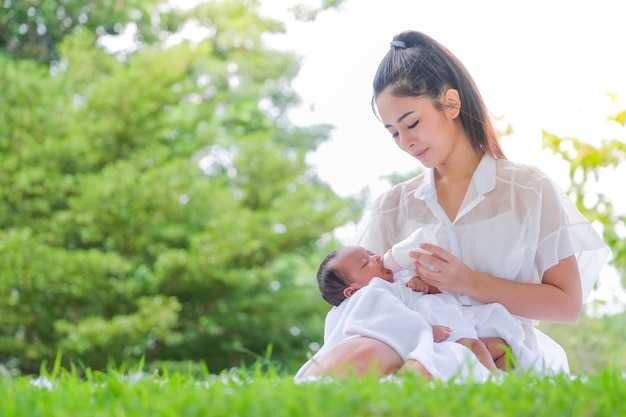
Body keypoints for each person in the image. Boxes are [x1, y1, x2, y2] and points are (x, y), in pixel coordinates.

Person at [296, 30, 608, 380]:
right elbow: (366, 308)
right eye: (393, 132)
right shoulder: (392, 207)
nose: (406, 142)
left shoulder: (528, 191)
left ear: (451, 104)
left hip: (499, 353)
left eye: (412, 123)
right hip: (416, 349)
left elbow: (566, 305)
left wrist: (470, 282)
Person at [316, 244, 539, 372]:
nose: (375, 257)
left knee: (502, 347)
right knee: (477, 348)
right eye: (366, 262)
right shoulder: (371, 295)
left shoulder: (401, 278)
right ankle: (492, 388)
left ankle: (508, 380)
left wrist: (425, 286)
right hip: (437, 342)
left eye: (370, 253)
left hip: (457, 329)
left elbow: (441, 297)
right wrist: (423, 329)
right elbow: (387, 320)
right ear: (352, 292)